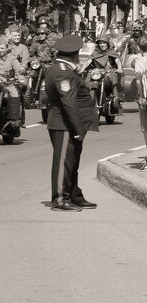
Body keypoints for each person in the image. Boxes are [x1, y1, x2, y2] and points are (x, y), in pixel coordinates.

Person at [41, 34, 98, 211]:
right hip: (64, 124)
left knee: (72, 162)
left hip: (69, 123)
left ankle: (74, 195)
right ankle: (59, 199)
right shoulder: (62, 72)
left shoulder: (65, 69)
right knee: (64, 162)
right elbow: (69, 102)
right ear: (74, 53)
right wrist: (78, 128)